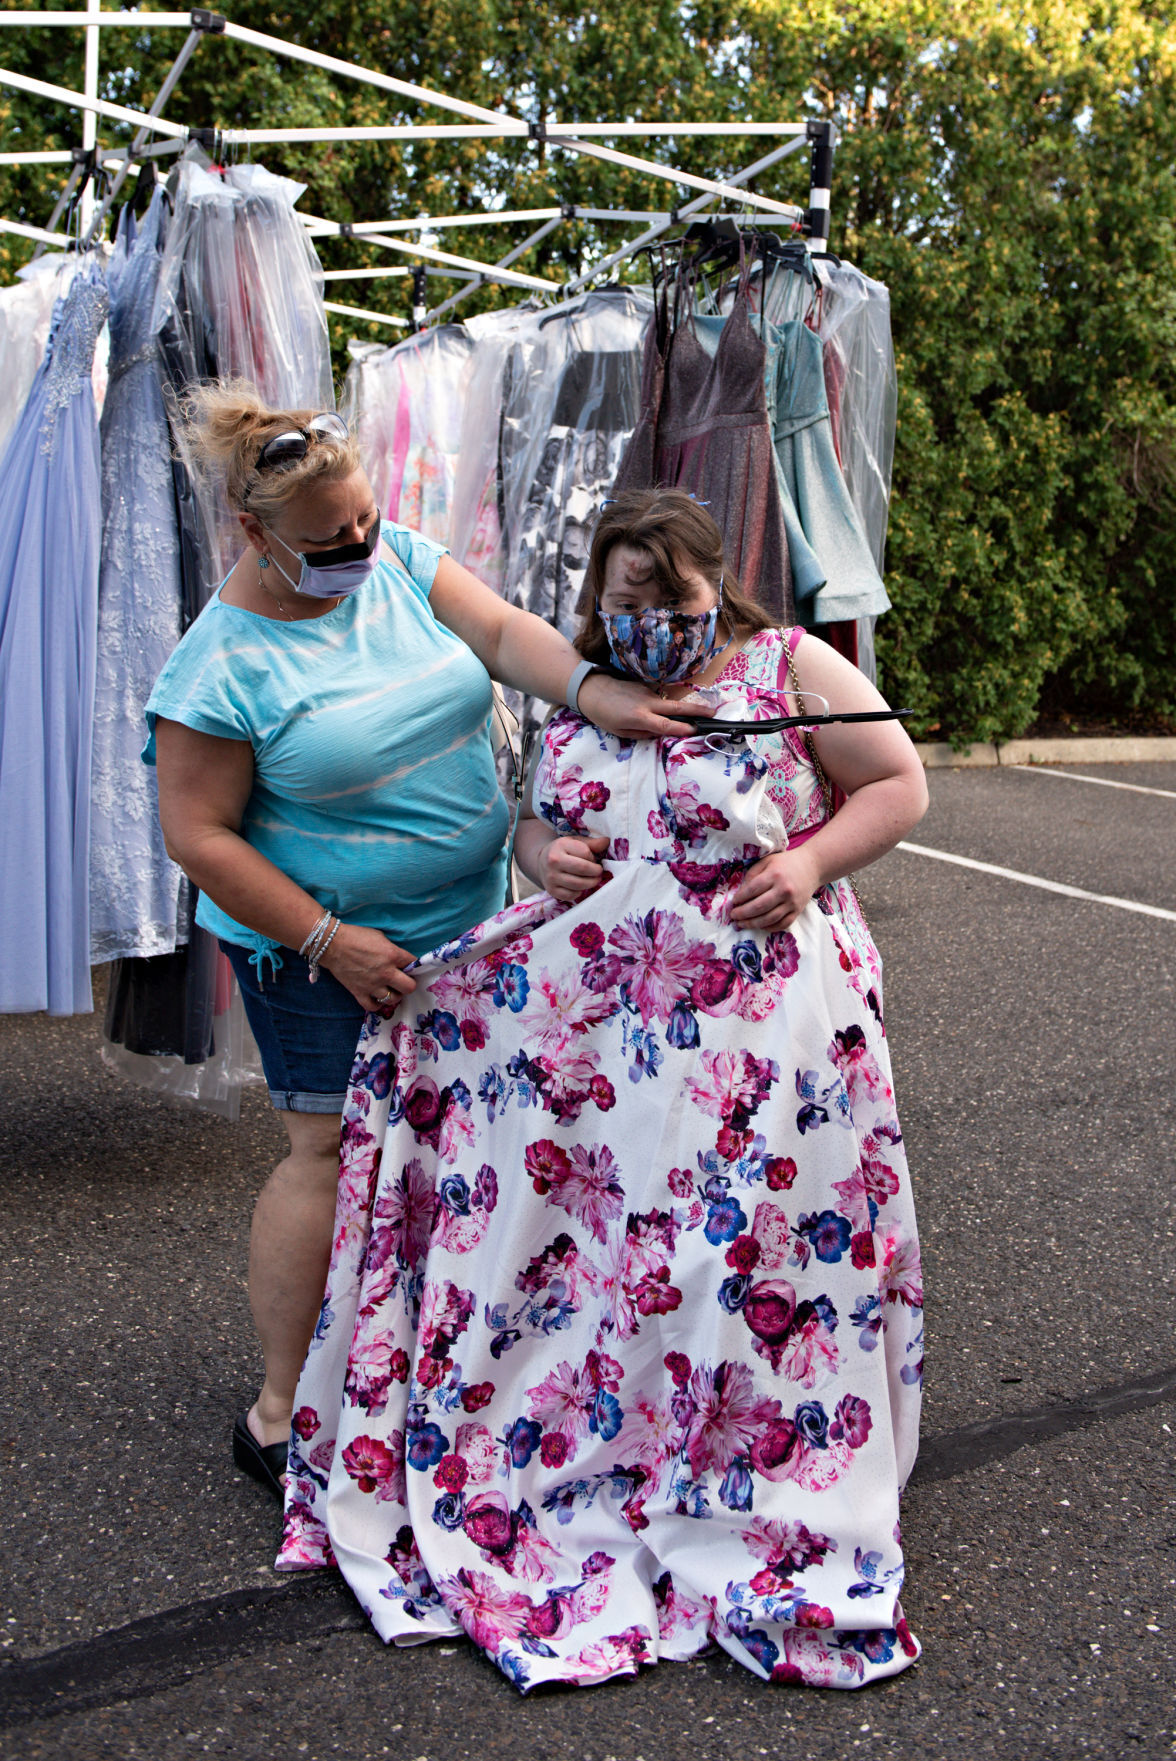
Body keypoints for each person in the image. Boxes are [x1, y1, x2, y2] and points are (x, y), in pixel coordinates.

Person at [275, 488, 930, 1691]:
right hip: (610, 1039)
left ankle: (739, 1461)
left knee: (731, 1261)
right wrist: (543, 854)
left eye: (671, 599)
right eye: (625, 600)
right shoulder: (579, 689)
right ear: (599, 598)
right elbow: (531, 823)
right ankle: (618, 1440)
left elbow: (898, 784)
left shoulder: (789, 666)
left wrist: (807, 859)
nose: (649, 622)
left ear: (712, 586)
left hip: (765, 1033)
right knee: (612, 1253)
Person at [142, 392, 707, 1501]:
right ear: (254, 534)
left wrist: (598, 694)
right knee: (330, 1154)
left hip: (469, 922)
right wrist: (330, 940)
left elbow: (498, 634)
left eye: (364, 524)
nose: (358, 549)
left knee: (461, 1151)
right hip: (317, 951)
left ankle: (420, 1371)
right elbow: (196, 835)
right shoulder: (219, 666)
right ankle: (276, 1412)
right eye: (327, 542)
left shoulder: (394, 557)